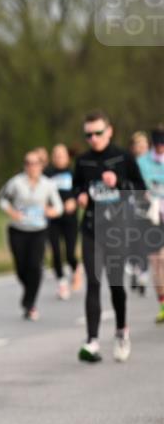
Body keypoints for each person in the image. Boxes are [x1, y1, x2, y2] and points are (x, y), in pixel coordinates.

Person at [74, 111, 146, 363]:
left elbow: (140, 190)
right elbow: (77, 187)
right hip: (92, 228)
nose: (93, 138)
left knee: (116, 285)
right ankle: (92, 340)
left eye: (98, 133)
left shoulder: (123, 157)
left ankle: (121, 331)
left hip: (117, 230)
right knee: (93, 283)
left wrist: (119, 183)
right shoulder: (83, 161)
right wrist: (80, 196)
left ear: (110, 131)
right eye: (88, 134)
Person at [0, 150, 63, 320]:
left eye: (35, 163)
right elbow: (2, 199)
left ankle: (30, 303)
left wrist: (51, 211)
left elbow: (59, 207)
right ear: (24, 165)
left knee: (35, 266)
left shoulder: (48, 184)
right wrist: (12, 212)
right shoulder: (16, 183)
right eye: (28, 163)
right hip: (18, 230)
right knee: (21, 268)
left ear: (41, 165)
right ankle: (29, 294)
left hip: (38, 230)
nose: (32, 167)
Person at [44, 143, 83, 299]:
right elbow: (41, 192)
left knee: (70, 253)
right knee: (55, 251)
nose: (58, 157)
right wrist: (46, 206)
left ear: (67, 157)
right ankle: (62, 283)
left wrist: (74, 200)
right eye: (55, 154)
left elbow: (80, 191)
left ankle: (76, 267)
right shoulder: (47, 174)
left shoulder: (74, 173)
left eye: (61, 154)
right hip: (53, 218)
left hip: (69, 218)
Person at [136, 125, 164, 323]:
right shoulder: (142, 162)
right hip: (151, 216)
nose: (160, 148)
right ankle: (162, 303)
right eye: (157, 145)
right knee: (157, 261)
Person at [127, 131, 152, 295]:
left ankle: (143, 270)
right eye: (138, 144)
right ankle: (135, 267)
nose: (141, 147)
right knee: (132, 238)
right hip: (130, 203)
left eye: (143, 144)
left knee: (146, 238)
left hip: (151, 204)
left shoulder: (155, 163)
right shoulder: (128, 163)